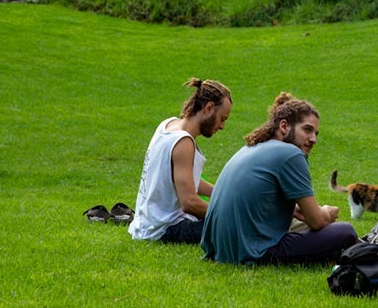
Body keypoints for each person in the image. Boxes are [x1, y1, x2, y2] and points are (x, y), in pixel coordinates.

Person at [201, 92, 358, 265]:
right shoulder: (291, 154)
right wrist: (327, 212)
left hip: (220, 250)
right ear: (284, 126)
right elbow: (316, 221)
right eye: (307, 130)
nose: (313, 139)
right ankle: (372, 248)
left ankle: (368, 246)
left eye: (316, 133)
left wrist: (295, 211)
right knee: (345, 232)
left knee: (305, 226)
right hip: (254, 252)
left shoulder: (252, 147)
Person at [128, 78, 233, 244]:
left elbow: (184, 179)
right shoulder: (183, 142)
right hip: (165, 229)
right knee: (237, 228)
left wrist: (221, 194)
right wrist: (226, 215)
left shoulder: (168, 125)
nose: (222, 126)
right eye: (222, 118)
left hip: (146, 225)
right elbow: (189, 203)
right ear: (209, 108)